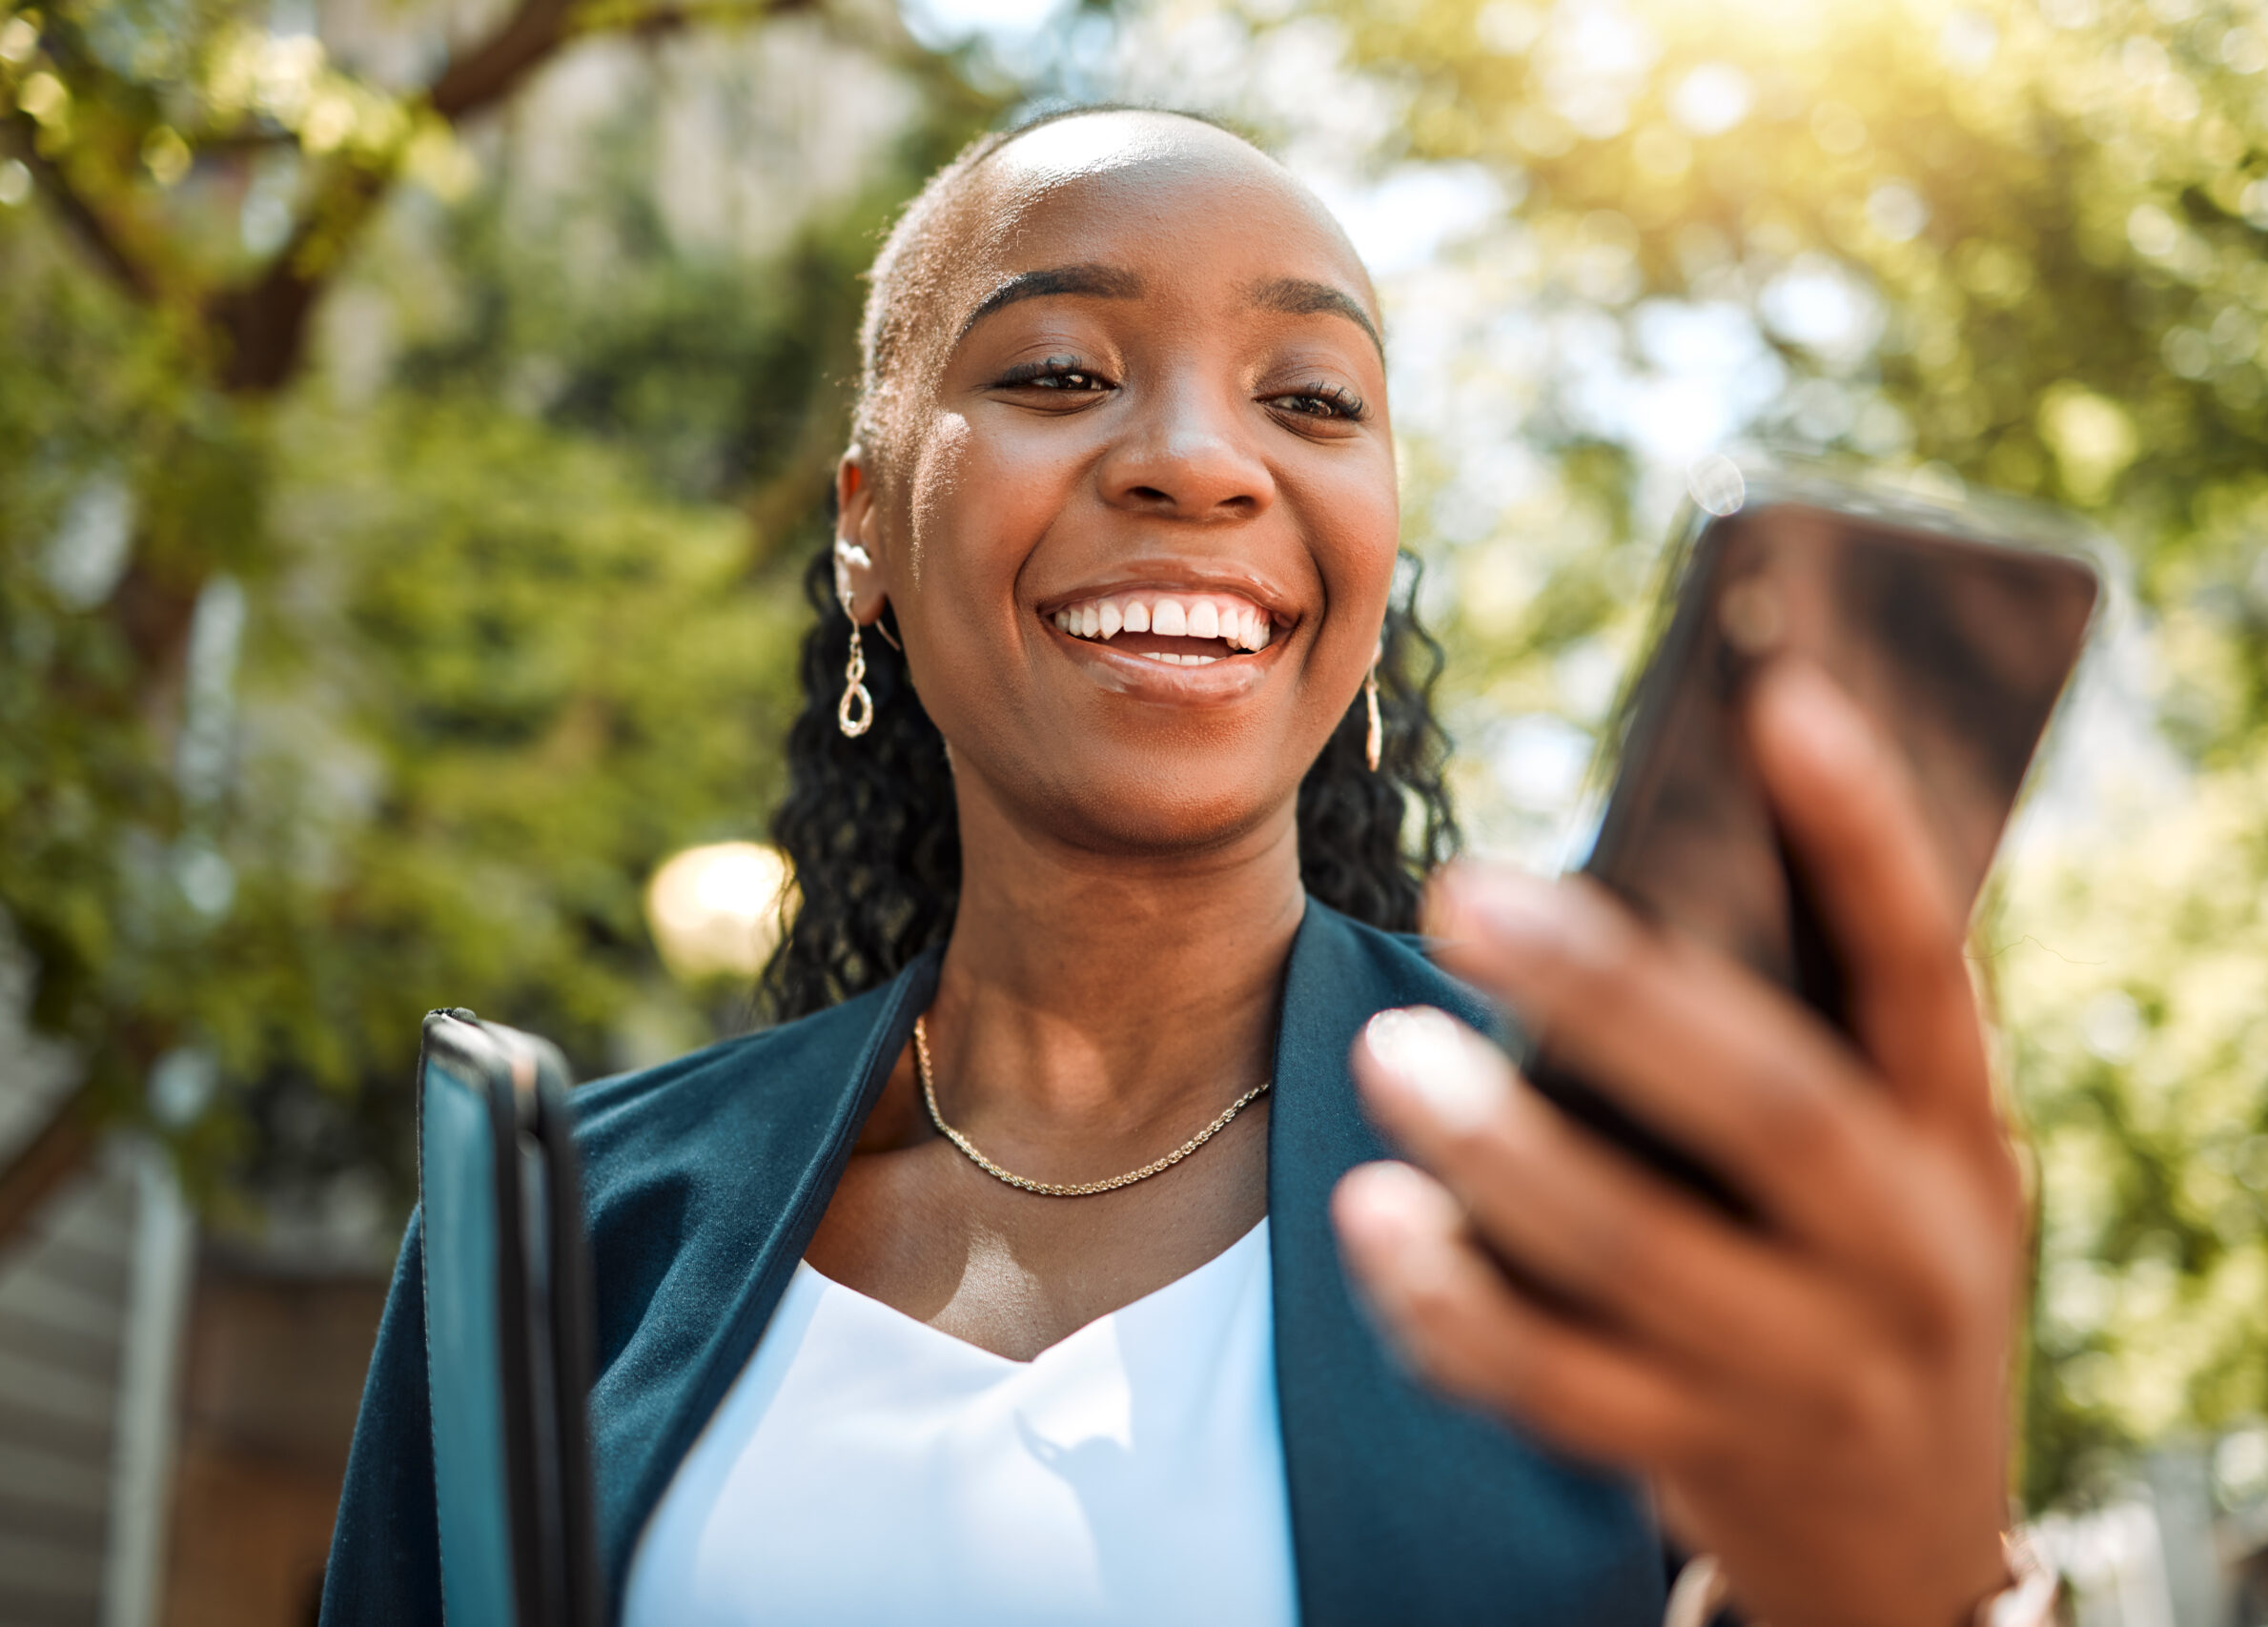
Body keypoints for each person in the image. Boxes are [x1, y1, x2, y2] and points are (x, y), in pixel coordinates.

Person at [322, 106, 2039, 1627]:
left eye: (1309, 398)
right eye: (1061, 372)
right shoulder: (564, 1231)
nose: (1204, 461)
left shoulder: (1598, 1179)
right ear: (865, 526)